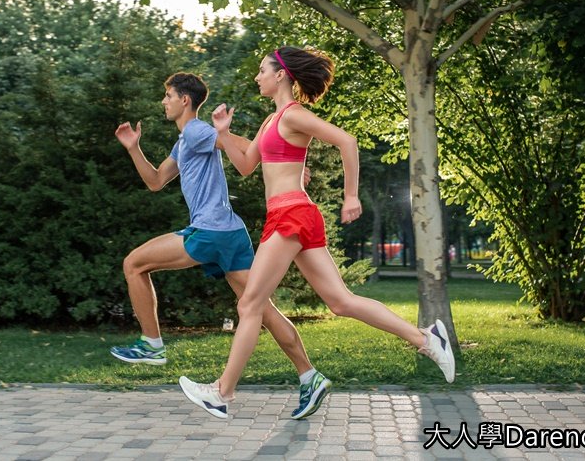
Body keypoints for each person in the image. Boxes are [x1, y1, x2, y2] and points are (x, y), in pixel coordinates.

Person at [178, 47, 456, 420]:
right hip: (291, 216)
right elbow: (245, 166)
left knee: (249, 305)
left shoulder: (294, 116)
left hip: (291, 215)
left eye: (262, 70)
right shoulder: (270, 122)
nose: (257, 77)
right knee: (340, 301)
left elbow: (347, 141)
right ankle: (425, 339)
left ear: (281, 75)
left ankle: (221, 393)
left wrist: (351, 195)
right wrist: (224, 134)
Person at [111, 72, 331, 419]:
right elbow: (155, 181)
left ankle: (152, 345)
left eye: (168, 95)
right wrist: (134, 148)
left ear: (185, 100)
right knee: (261, 309)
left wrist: (289, 166)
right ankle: (309, 375)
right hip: (230, 233)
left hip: (211, 232)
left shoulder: (197, 130)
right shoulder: (185, 142)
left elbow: (246, 147)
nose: (164, 101)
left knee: (134, 263)